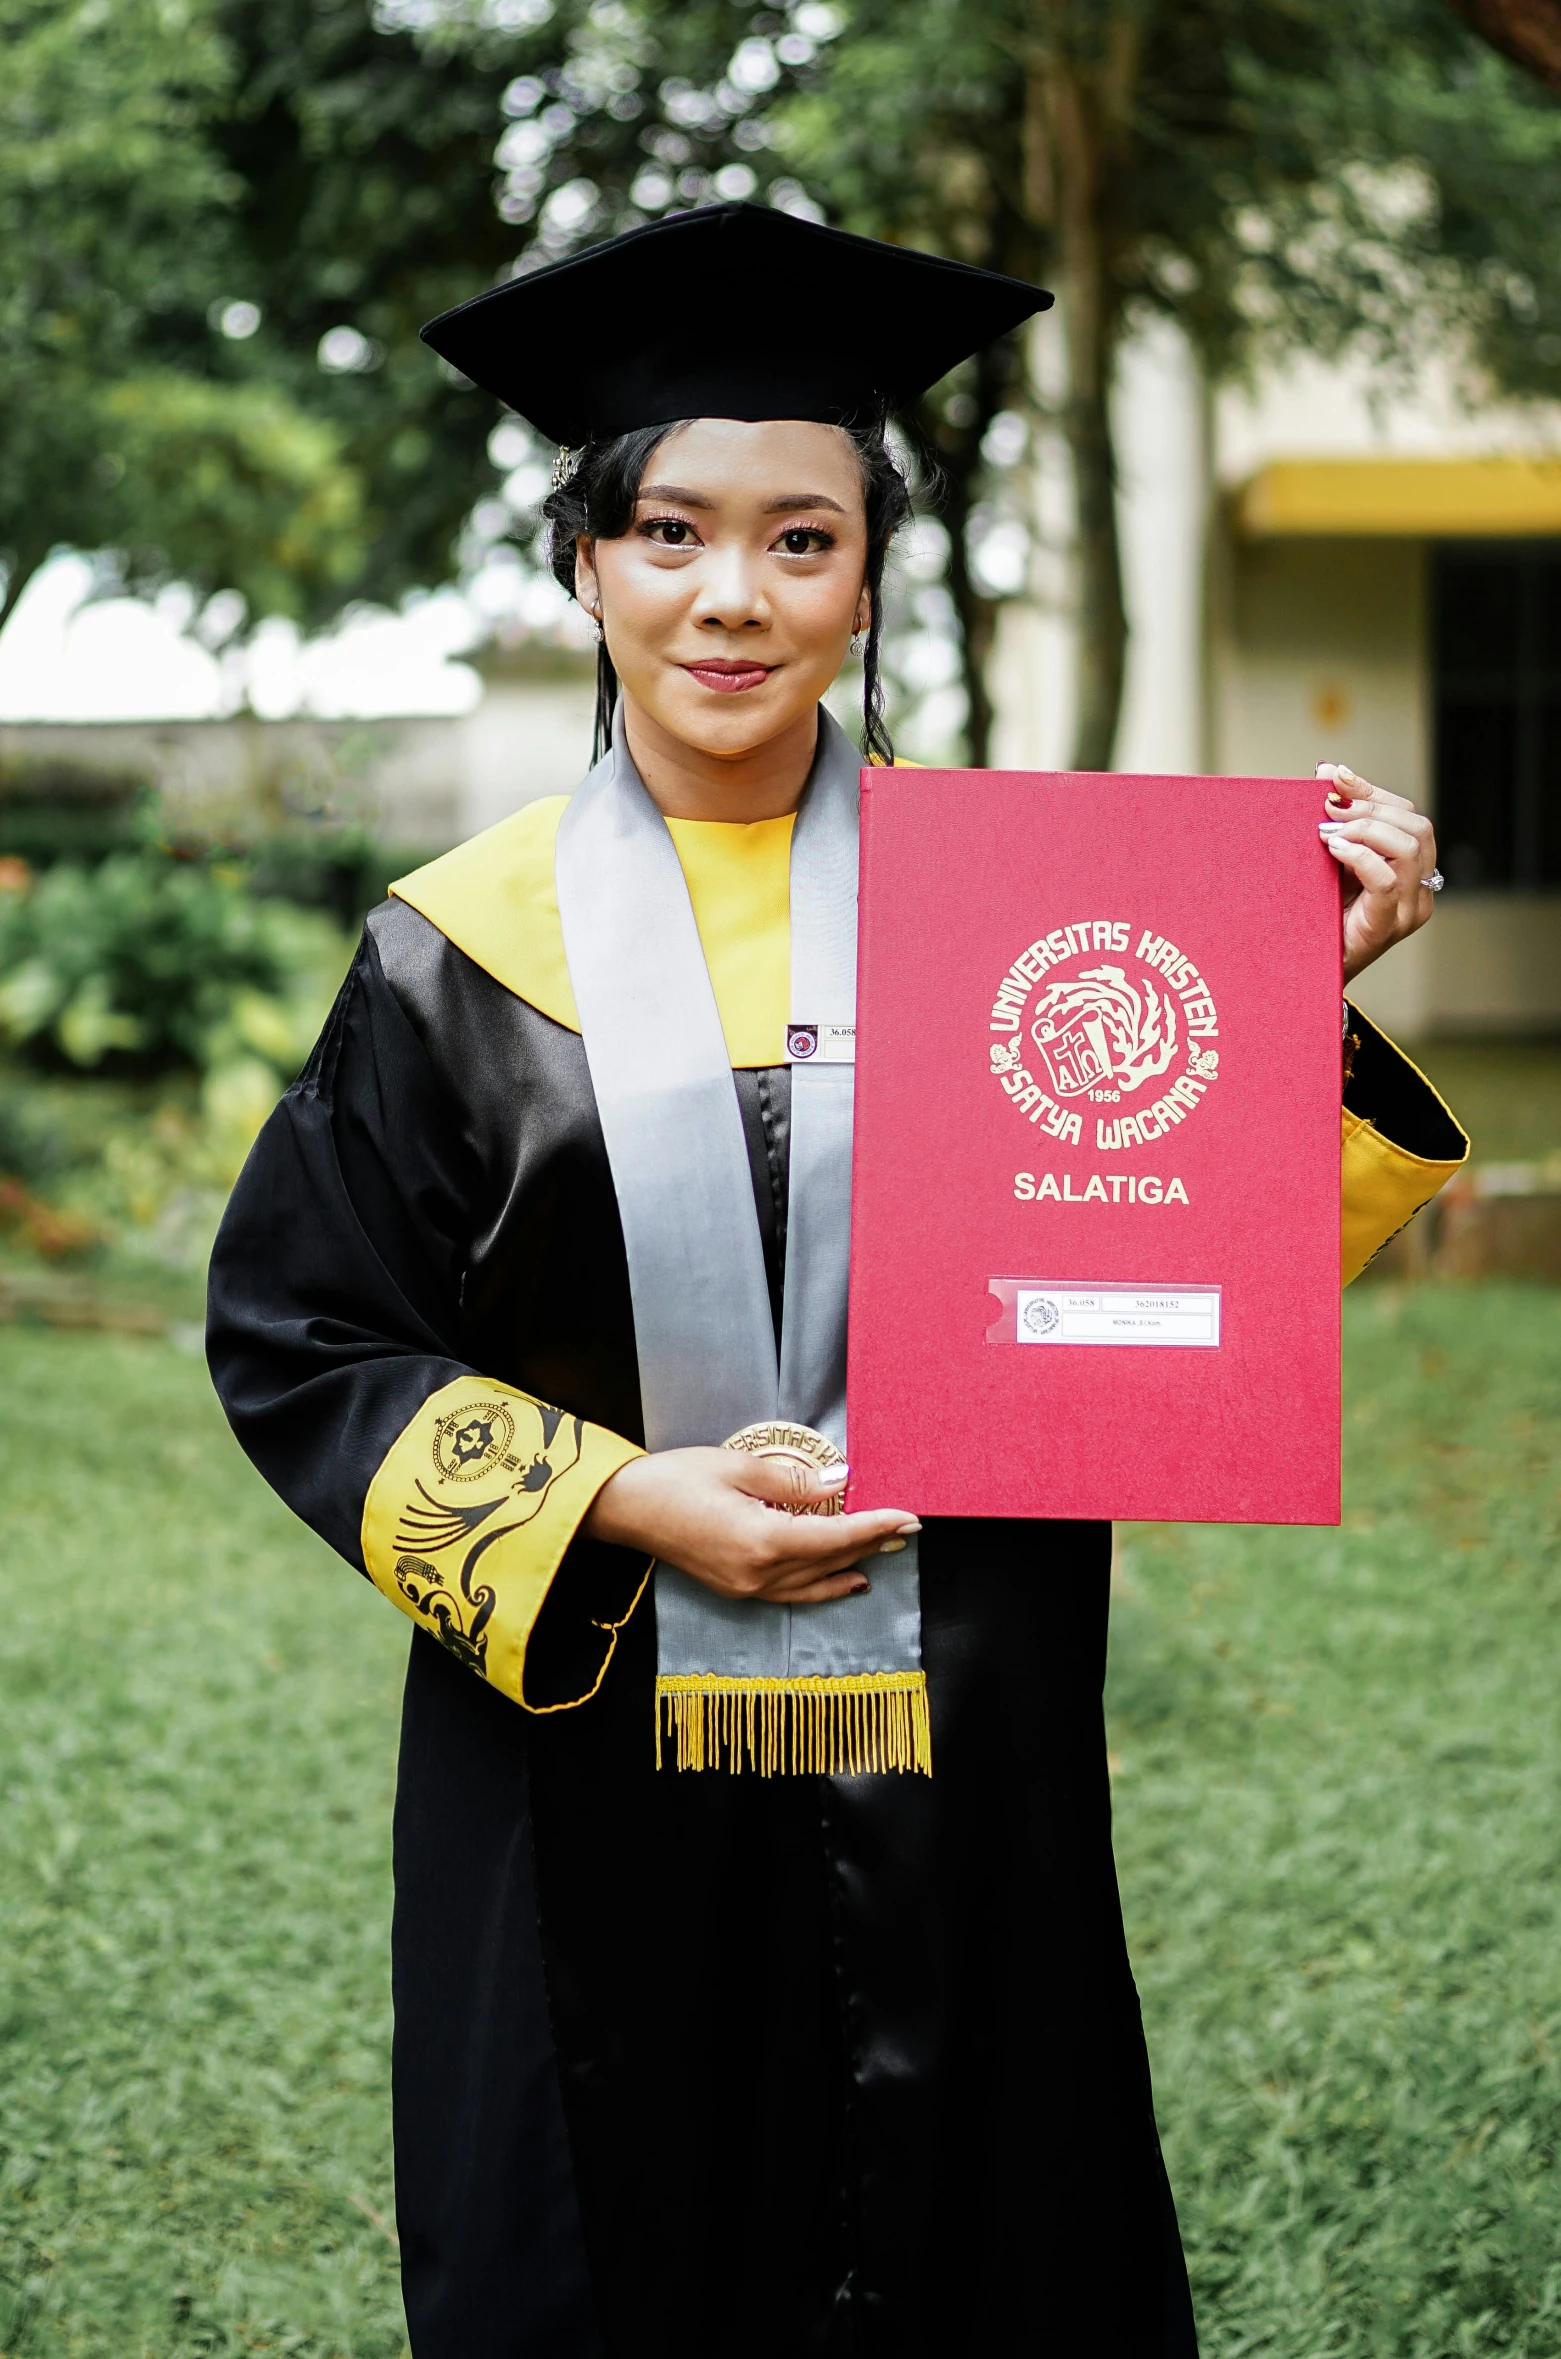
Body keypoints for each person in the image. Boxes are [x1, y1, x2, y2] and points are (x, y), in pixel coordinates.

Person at [207, 202, 1469, 2359]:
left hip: (959, 1723)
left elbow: (1165, 1288)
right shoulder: (449, 946)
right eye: (673, 532)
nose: (733, 596)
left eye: (804, 538)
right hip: (580, 1733)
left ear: (866, 577)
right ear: (583, 564)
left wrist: (1272, 996)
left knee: (977, 2222)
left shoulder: (1033, 916)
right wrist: (622, 1498)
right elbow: (303, 1337)